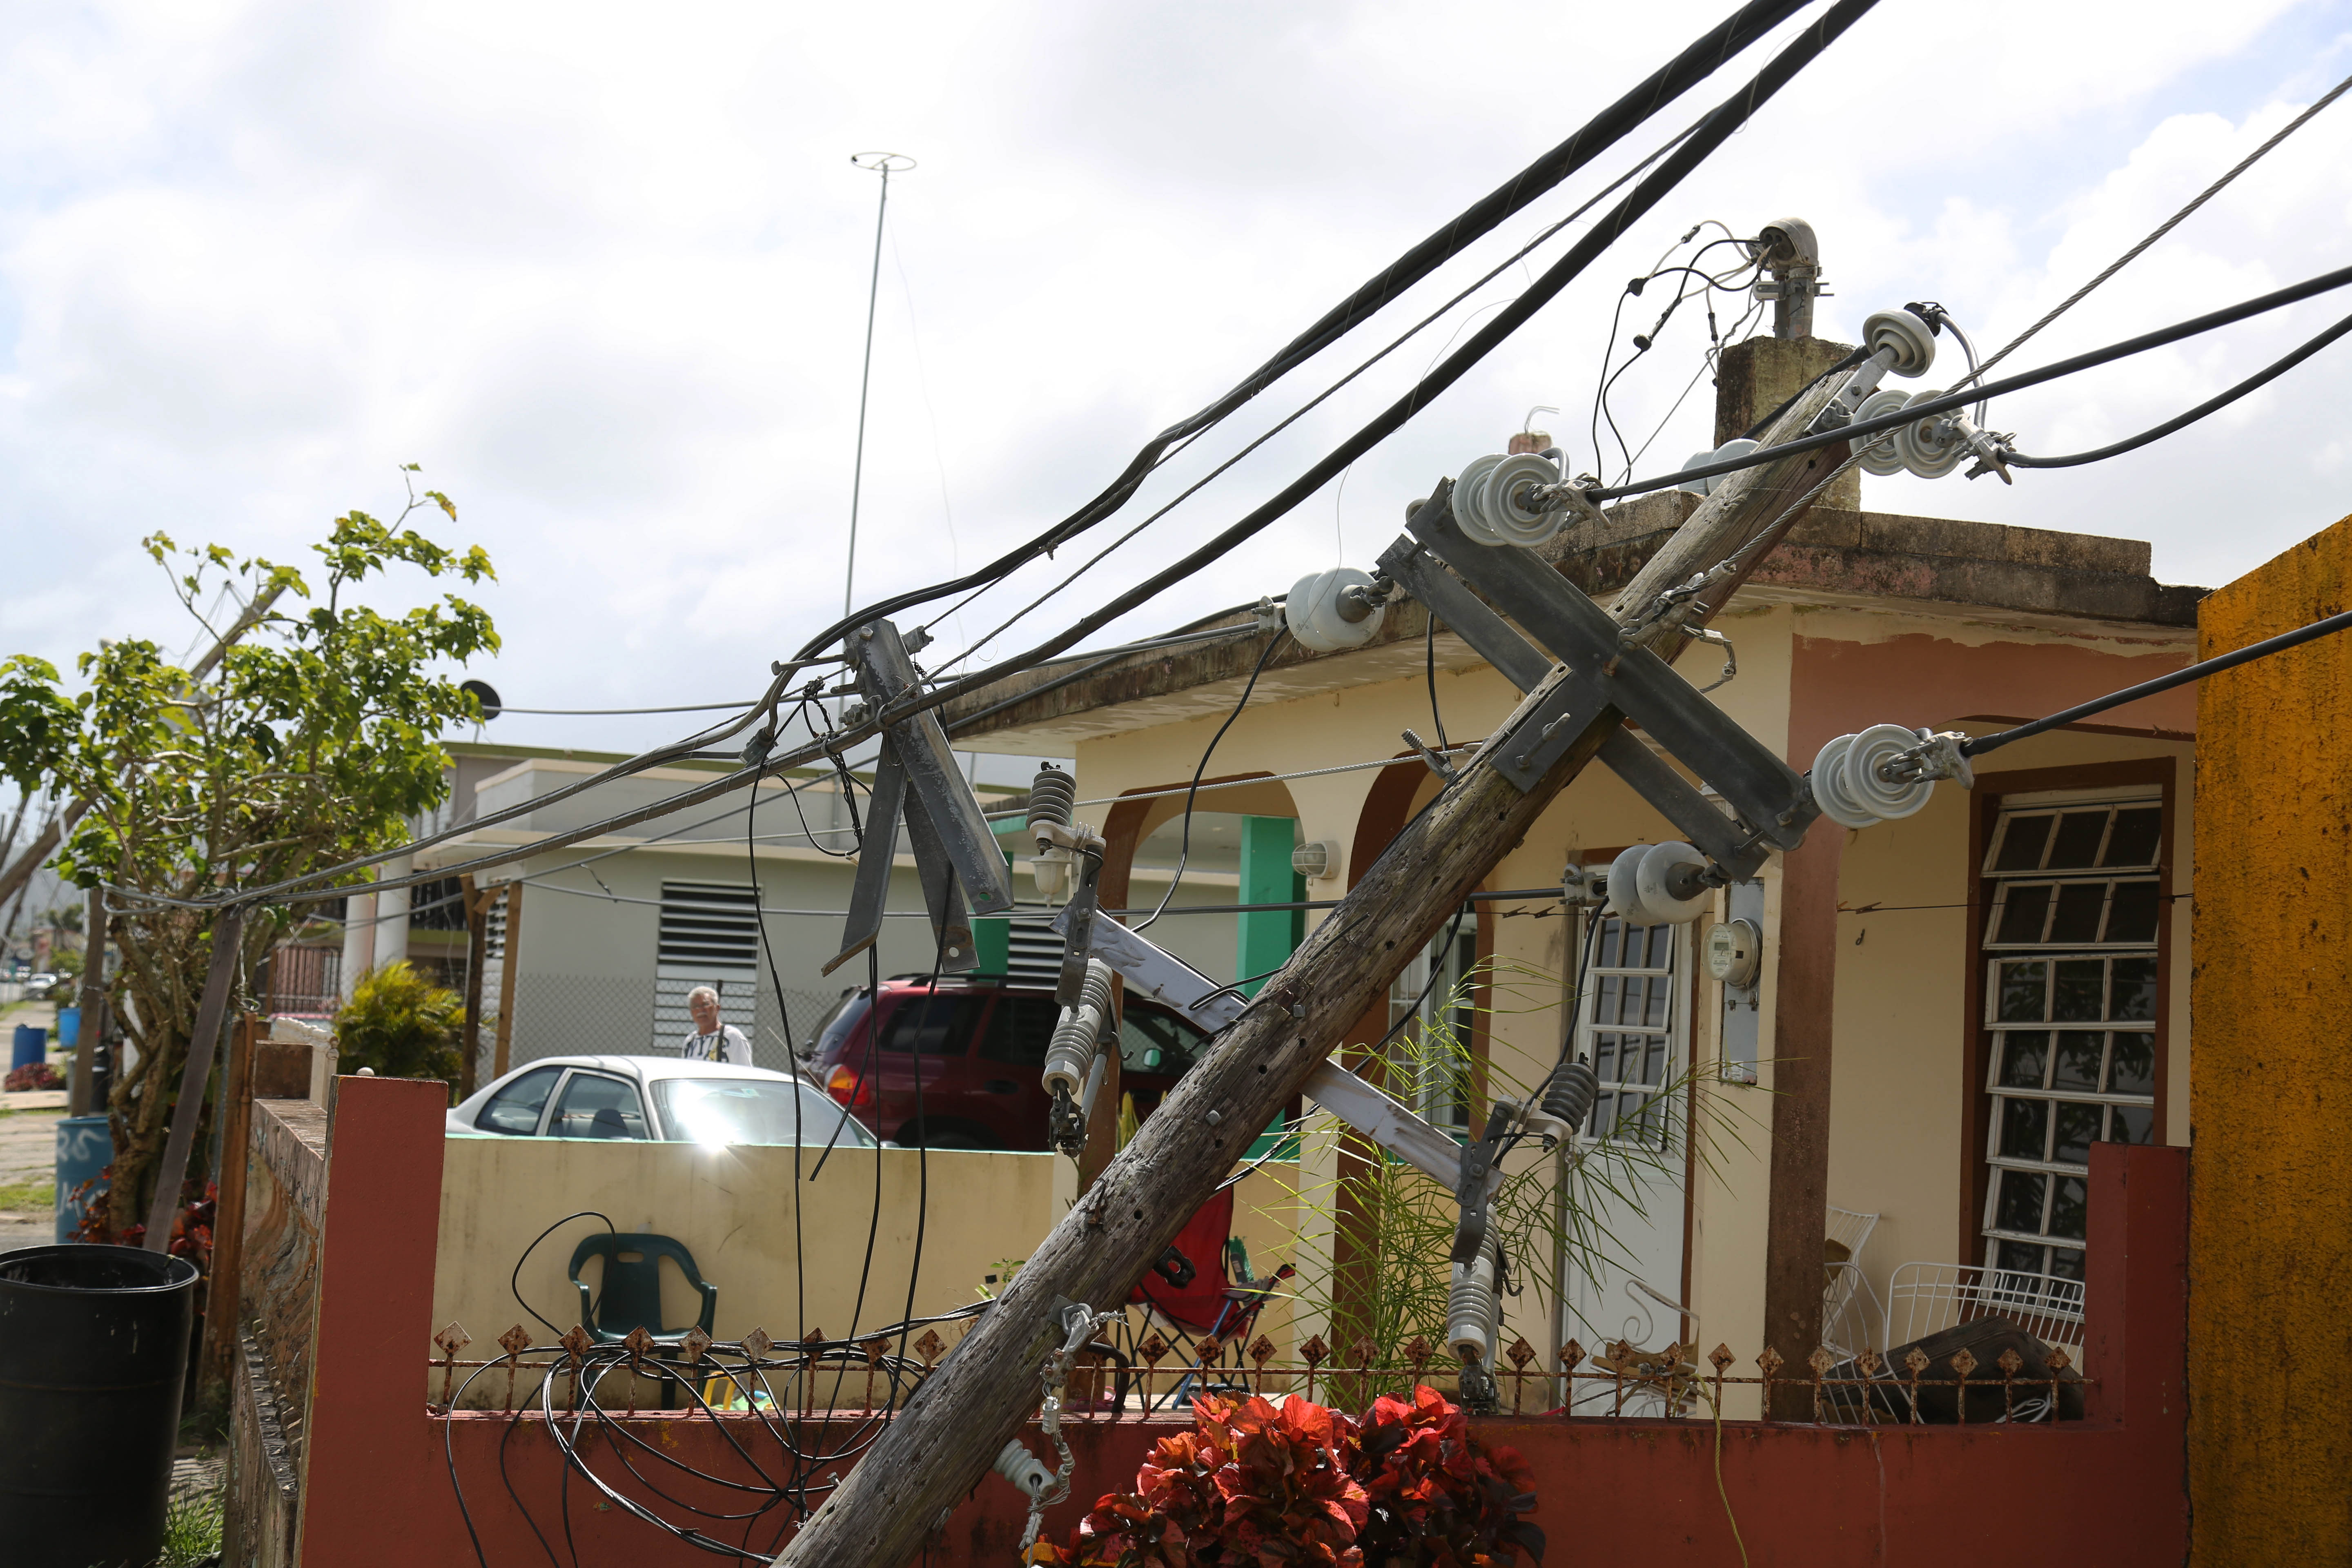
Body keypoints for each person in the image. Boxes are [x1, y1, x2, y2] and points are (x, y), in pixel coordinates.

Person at [679, 985, 751, 1065]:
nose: (701, 1010)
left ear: (717, 1008)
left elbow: (744, 1072)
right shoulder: (690, 1041)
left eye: (706, 1005)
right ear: (691, 1012)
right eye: (695, 1007)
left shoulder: (732, 1037)